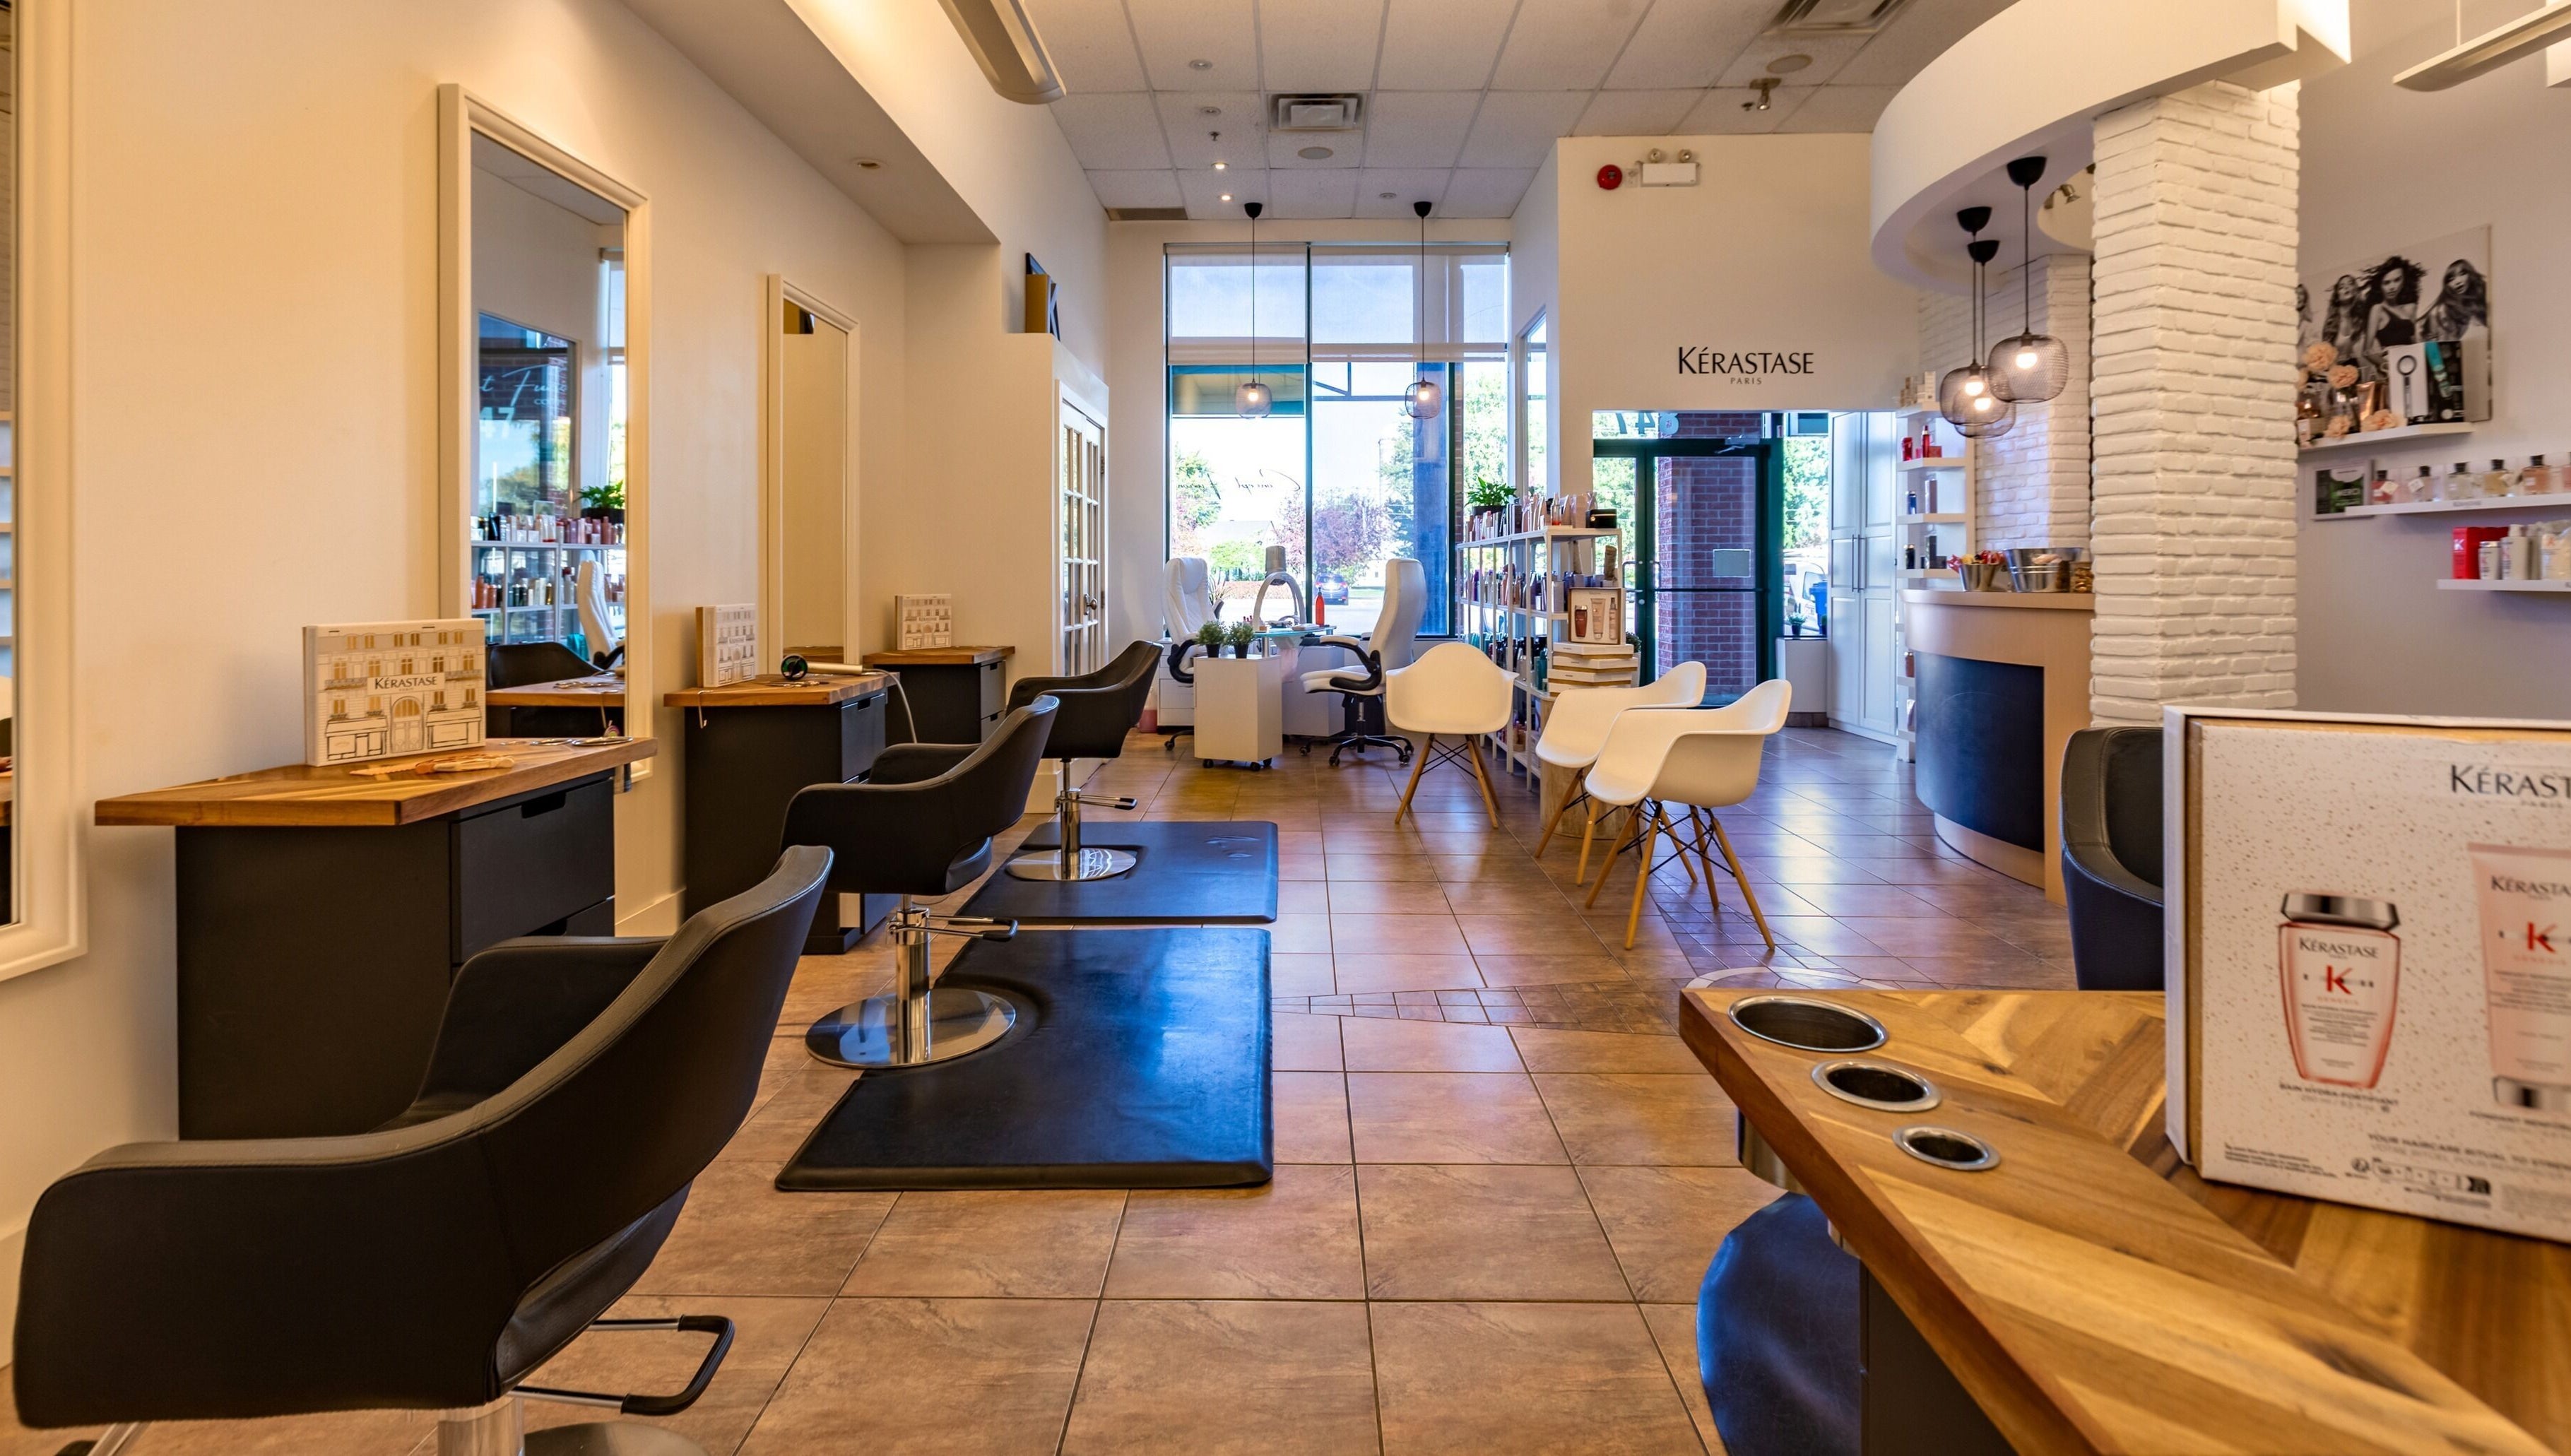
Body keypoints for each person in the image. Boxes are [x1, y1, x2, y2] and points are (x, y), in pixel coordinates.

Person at [2420, 258, 2489, 343]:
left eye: (2462, 274)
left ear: (2471, 275)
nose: (2457, 282)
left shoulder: (2486, 298)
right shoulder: (2444, 311)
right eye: (2451, 279)